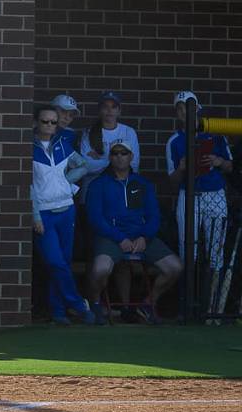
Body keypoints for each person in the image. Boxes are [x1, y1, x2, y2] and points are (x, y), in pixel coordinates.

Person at [86, 140, 183, 324]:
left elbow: (154, 216)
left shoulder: (143, 184)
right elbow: (95, 218)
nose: (120, 157)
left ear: (131, 157)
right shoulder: (98, 184)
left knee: (175, 267)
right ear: (110, 157)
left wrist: (144, 237)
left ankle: (147, 304)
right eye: (115, 153)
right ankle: (96, 304)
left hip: (141, 237)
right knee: (100, 269)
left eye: (124, 153)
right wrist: (119, 238)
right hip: (111, 237)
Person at [31, 105, 95, 325]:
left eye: (53, 122)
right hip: (44, 213)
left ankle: (58, 311)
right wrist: (35, 216)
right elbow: (28, 186)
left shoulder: (62, 144)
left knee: (63, 263)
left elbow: (83, 165)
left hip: (67, 209)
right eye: (44, 121)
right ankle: (78, 303)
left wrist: (66, 181)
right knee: (54, 262)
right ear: (36, 122)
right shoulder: (28, 147)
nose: (49, 126)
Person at [166, 91, 232, 269]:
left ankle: (210, 296)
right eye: (179, 109)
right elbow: (172, 182)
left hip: (215, 194)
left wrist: (219, 161)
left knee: (216, 251)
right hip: (188, 195)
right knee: (187, 251)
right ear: (176, 113)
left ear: (197, 108)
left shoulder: (216, 134)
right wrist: (181, 168)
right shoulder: (174, 141)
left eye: (187, 107)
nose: (183, 112)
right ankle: (186, 296)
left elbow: (231, 167)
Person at [79, 91, 140, 196]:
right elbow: (85, 167)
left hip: (120, 192)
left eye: (113, 107)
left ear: (119, 111)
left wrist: (102, 159)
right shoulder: (88, 133)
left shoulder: (128, 132)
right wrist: (118, 160)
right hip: (91, 192)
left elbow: (134, 165)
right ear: (99, 110)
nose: (109, 110)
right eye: (105, 106)